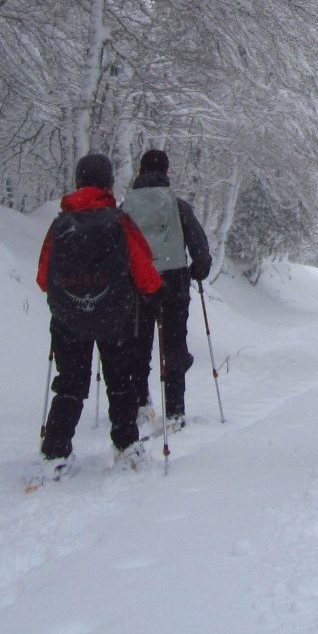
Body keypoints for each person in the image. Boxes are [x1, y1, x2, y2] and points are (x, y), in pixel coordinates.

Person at [35, 152, 162, 481]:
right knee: (120, 383)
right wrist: (153, 294)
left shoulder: (60, 224)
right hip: (114, 318)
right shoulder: (118, 221)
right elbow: (145, 271)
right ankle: (127, 448)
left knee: (70, 386)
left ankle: (55, 453)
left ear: (78, 181)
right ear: (108, 183)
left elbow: (42, 277)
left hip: (68, 319)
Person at [121, 148, 213, 433]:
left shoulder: (126, 207)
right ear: (166, 172)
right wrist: (199, 270)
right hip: (174, 283)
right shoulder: (178, 205)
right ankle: (174, 410)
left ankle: (140, 404)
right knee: (173, 347)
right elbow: (199, 245)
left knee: (139, 347)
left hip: (138, 284)